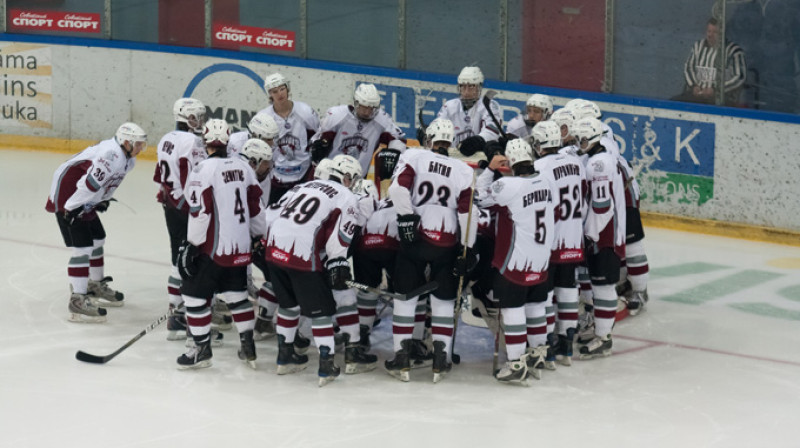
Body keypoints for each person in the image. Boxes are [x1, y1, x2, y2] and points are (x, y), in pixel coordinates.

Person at [384, 118, 477, 383]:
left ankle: (401, 359)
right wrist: (467, 249)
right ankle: (441, 359)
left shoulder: (415, 155)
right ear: (451, 143)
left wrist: (406, 218)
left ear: (429, 140)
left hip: (416, 240)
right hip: (446, 244)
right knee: (443, 301)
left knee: (405, 297)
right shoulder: (463, 169)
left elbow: (397, 188)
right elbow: (468, 212)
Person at [264, 153, 364, 386]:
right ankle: (326, 364)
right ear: (346, 177)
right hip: (302, 253)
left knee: (289, 305)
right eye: (353, 178)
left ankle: (285, 357)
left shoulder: (305, 185)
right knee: (322, 312)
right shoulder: (346, 195)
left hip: (274, 248)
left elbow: (270, 214)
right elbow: (341, 234)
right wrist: (338, 262)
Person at [175, 119, 266, 370]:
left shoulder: (203, 169)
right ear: (227, 141)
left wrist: (191, 245)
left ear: (206, 142)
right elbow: (257, 207)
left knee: (193, 296)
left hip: (213, 249)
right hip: (240, 247)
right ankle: (248, 347)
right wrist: (259, 236)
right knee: (237, 295)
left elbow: (200, 211)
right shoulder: (243, 167)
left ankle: (201, 350)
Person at [45, 122, 148, 322]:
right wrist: (73, 206)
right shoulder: (112, 155)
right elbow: (89, 183)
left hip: (85, 194)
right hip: (69, 192)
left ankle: (95, 284)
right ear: (126, 142)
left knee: (98, 238)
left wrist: (101, 200)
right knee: (82, 246)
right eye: (137, 144)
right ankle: (77, 299)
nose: (140, 149)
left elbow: (108, 182)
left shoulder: (128, 160)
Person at [475, 138, 555, 384]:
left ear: (510, 162)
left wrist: (490, 169)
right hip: (541, 259)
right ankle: (539, 352)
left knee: (513, 310)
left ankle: (517, 361)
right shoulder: (546, 181)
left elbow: (479, 197)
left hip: (516, 260)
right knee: (536, 306)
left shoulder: (509, 185)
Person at [531, 121, 586, 367]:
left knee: (547, 295)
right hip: (574, 236)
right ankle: (567, 345)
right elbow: (584, 197)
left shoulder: (540, 166)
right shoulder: (576, 163)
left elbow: (543, 206)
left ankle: (548, 349)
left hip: (552, 240)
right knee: (568, 289)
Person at [571, 117, 626, 360]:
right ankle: (599, 330)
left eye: (582, 139)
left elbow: (603, 207)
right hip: (603, 232)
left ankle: (603, 338)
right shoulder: (597, 159)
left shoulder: (599, 164)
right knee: (597, 284)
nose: (579, 143)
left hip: (603, 235)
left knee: (603, 286)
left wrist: (590, 234)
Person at [154, 98, 207, 339]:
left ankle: (176, 315)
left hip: (171, 205)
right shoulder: (193, 141)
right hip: (188, 208)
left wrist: (166, 194)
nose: (200, 121)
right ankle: (192, 311)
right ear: (185, 118)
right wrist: (198, 208)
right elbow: (193, 177)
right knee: (195, 258)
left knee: (178, 258)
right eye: (195, 117)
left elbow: (159, 175)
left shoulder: (166, 138)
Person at [309, 83, 406, 180]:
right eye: (364, 107)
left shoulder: (382, 120)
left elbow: (398, 139)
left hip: (357, 179)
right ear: (356, 103)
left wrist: (394, 152)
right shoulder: (336, 116)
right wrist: (318, 147)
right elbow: (316, 142)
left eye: (371, 108)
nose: (367, 112)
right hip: (330, 174)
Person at [259, 73, 321, 204]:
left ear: (288, 89)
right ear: (269, 94)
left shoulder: (305, 112)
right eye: (274, 91)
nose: (280, 94)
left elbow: (317, 139)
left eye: (282, 89)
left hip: (303, 175)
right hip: (276, 178)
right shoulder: (264, 117)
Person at [673, 17, 747, 106]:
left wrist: (716, 90)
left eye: (715, 32)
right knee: (672, 104)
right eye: (709, 31)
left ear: (723, 34)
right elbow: (689, 67)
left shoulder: (734, 51)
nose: (710, 35)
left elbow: (739, 77)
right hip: (697, 98)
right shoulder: (698, 46)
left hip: (723, 101)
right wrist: (694, 86)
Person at [437, 66, 503, 158]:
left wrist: (478, 140)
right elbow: (438, 128)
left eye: (471, 86)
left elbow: (492, 131)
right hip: (452, 158)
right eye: (463, 87)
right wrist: (429, 134)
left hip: (479, 159)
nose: (466, 92)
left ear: (479, 87)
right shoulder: (449, 106)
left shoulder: (489, 106)